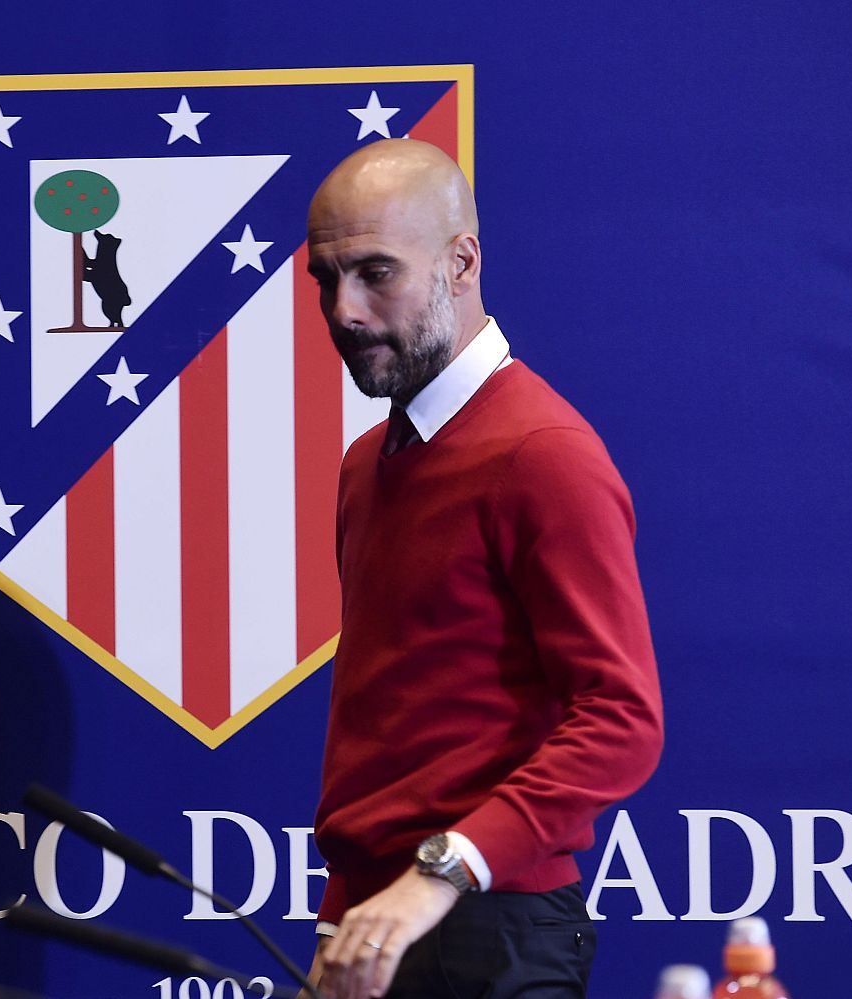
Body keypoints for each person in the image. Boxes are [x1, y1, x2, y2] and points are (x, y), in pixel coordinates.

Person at [303, 139, 664, 999]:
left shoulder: (542, 453)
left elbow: (622, 717)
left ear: (462, 262)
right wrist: (341, 919)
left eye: (376, 272)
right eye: (326, 278)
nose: (344, 310)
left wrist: (441, 871)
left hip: (494, 928)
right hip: (380, 924)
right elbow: (386, 733)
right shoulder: (365, 464)